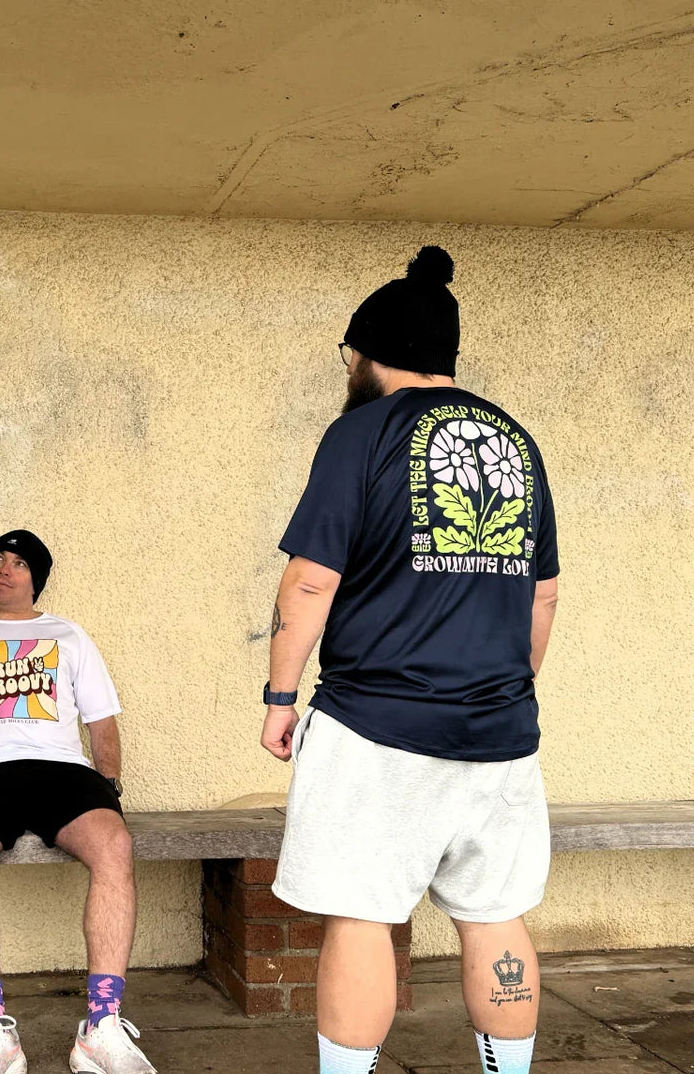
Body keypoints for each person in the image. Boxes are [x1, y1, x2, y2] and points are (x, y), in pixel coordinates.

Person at [260, 247, 560, 1074]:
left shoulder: (362, 431)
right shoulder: (515, 441)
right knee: (495, 915)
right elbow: (543, 596)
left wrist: (280, 694)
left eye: (349, 354)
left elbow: (312, 578)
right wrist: (507, 688)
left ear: (368, 352)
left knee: (361, 917)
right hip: (500, 734)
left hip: (376, 727)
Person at [0, 531, 156, 1074]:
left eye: (19, 563)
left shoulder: (68, 635)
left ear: (34, 578)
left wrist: (106, 786)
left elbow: (102, 721)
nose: (5, 569)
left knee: (115, 845)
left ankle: (101, 1027)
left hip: (62, 771)